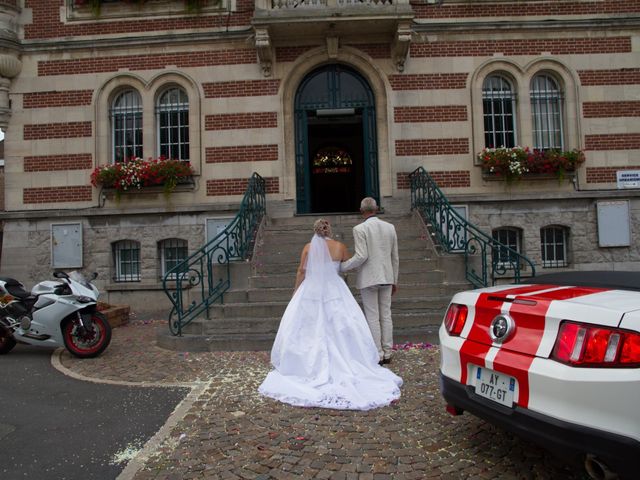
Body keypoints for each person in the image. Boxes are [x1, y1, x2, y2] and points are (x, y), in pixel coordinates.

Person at [258, 218, 402, 411]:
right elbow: (346, 265)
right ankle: (371, 353)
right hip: (335, 289)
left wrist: (295, 291)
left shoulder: (308, 247)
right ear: (329, 230)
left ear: (315, 231)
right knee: (344, 323)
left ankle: (306, 363)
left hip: (311, 290)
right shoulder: (340, 247)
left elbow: (301, 271)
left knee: (308, 326)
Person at [341, 197, 399, 365]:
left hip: (369, 277)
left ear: (361, 211)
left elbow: (361, 255)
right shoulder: (390, 227)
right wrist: (394, 279)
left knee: (373, 317)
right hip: (387, 276)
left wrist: (343, 267)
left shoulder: (359, 228)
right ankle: (388, 352)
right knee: (386, 315)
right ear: (377, 208)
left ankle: (378, 353)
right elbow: (395, 257)